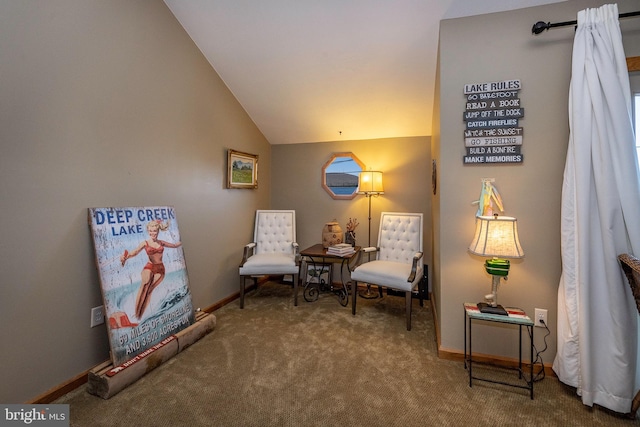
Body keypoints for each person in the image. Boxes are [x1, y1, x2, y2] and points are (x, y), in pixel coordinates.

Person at [120, 220, 182, 319]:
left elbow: (174, 245)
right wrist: (125, 257)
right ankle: (136, 314)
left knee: (149, 291)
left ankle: (139, 316)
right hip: (149, 266)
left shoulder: (161, 242)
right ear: (148, 231)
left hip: (160, 269)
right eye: (150, 231)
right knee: (144, 286)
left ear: (158, 231)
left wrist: (181, 242)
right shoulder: (145, 243)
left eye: (155, 231)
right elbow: (135, 252)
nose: (153, 233)